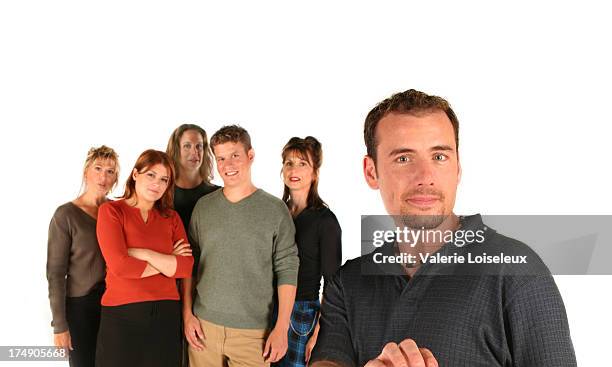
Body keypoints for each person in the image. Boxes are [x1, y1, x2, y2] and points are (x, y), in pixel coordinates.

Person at [309, 89, 577, 366]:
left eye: (439, 157)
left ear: (458, 167)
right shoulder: (347, 282)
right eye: (404, 158)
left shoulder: (517, 272)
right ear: (371, 172)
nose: (425, 177)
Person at [183, 125, 300, 367]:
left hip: (254, 334)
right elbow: (189, 265)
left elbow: (287, 269)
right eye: (221, 158)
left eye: (235, 155)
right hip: (204, 329)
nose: (228, 165)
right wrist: (187, 315)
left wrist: (281, 328)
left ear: (250, 156)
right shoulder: (203, 208)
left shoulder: (274, 210)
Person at [95, 149, 194, 367]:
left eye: (163, 179)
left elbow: (186, 268)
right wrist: (169, 261)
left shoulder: (171, 217)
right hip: (121, 315)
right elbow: (120, 266)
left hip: (166, 316)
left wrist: (144, 254)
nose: (156, 184)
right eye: (151, 175)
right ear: (135, 174)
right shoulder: (111, 211)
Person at [47, 145, 119, 367]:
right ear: (86, 172)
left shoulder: (117, 211)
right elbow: (56, 274)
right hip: (80, 308)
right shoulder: (65, 215)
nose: (103, 176)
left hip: (115, 305)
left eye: (110, 171)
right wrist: (60, 326)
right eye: (98, 168)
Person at [274, 137, 342, 367]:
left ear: (314, 173)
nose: (294, 170)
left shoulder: (325, 221)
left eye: (302, 164)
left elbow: (333, 283)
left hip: (301, 315)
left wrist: (318, 333)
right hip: (268, 307)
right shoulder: (276, 212)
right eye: (289, 163)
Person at [166, 123, 220, 367]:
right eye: (187, 146)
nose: (194, 152)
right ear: (176, 150)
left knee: (201, 351)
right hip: (167, 283)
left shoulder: (216, 194)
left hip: (207, 287)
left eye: (199, 146)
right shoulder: (162, 192)